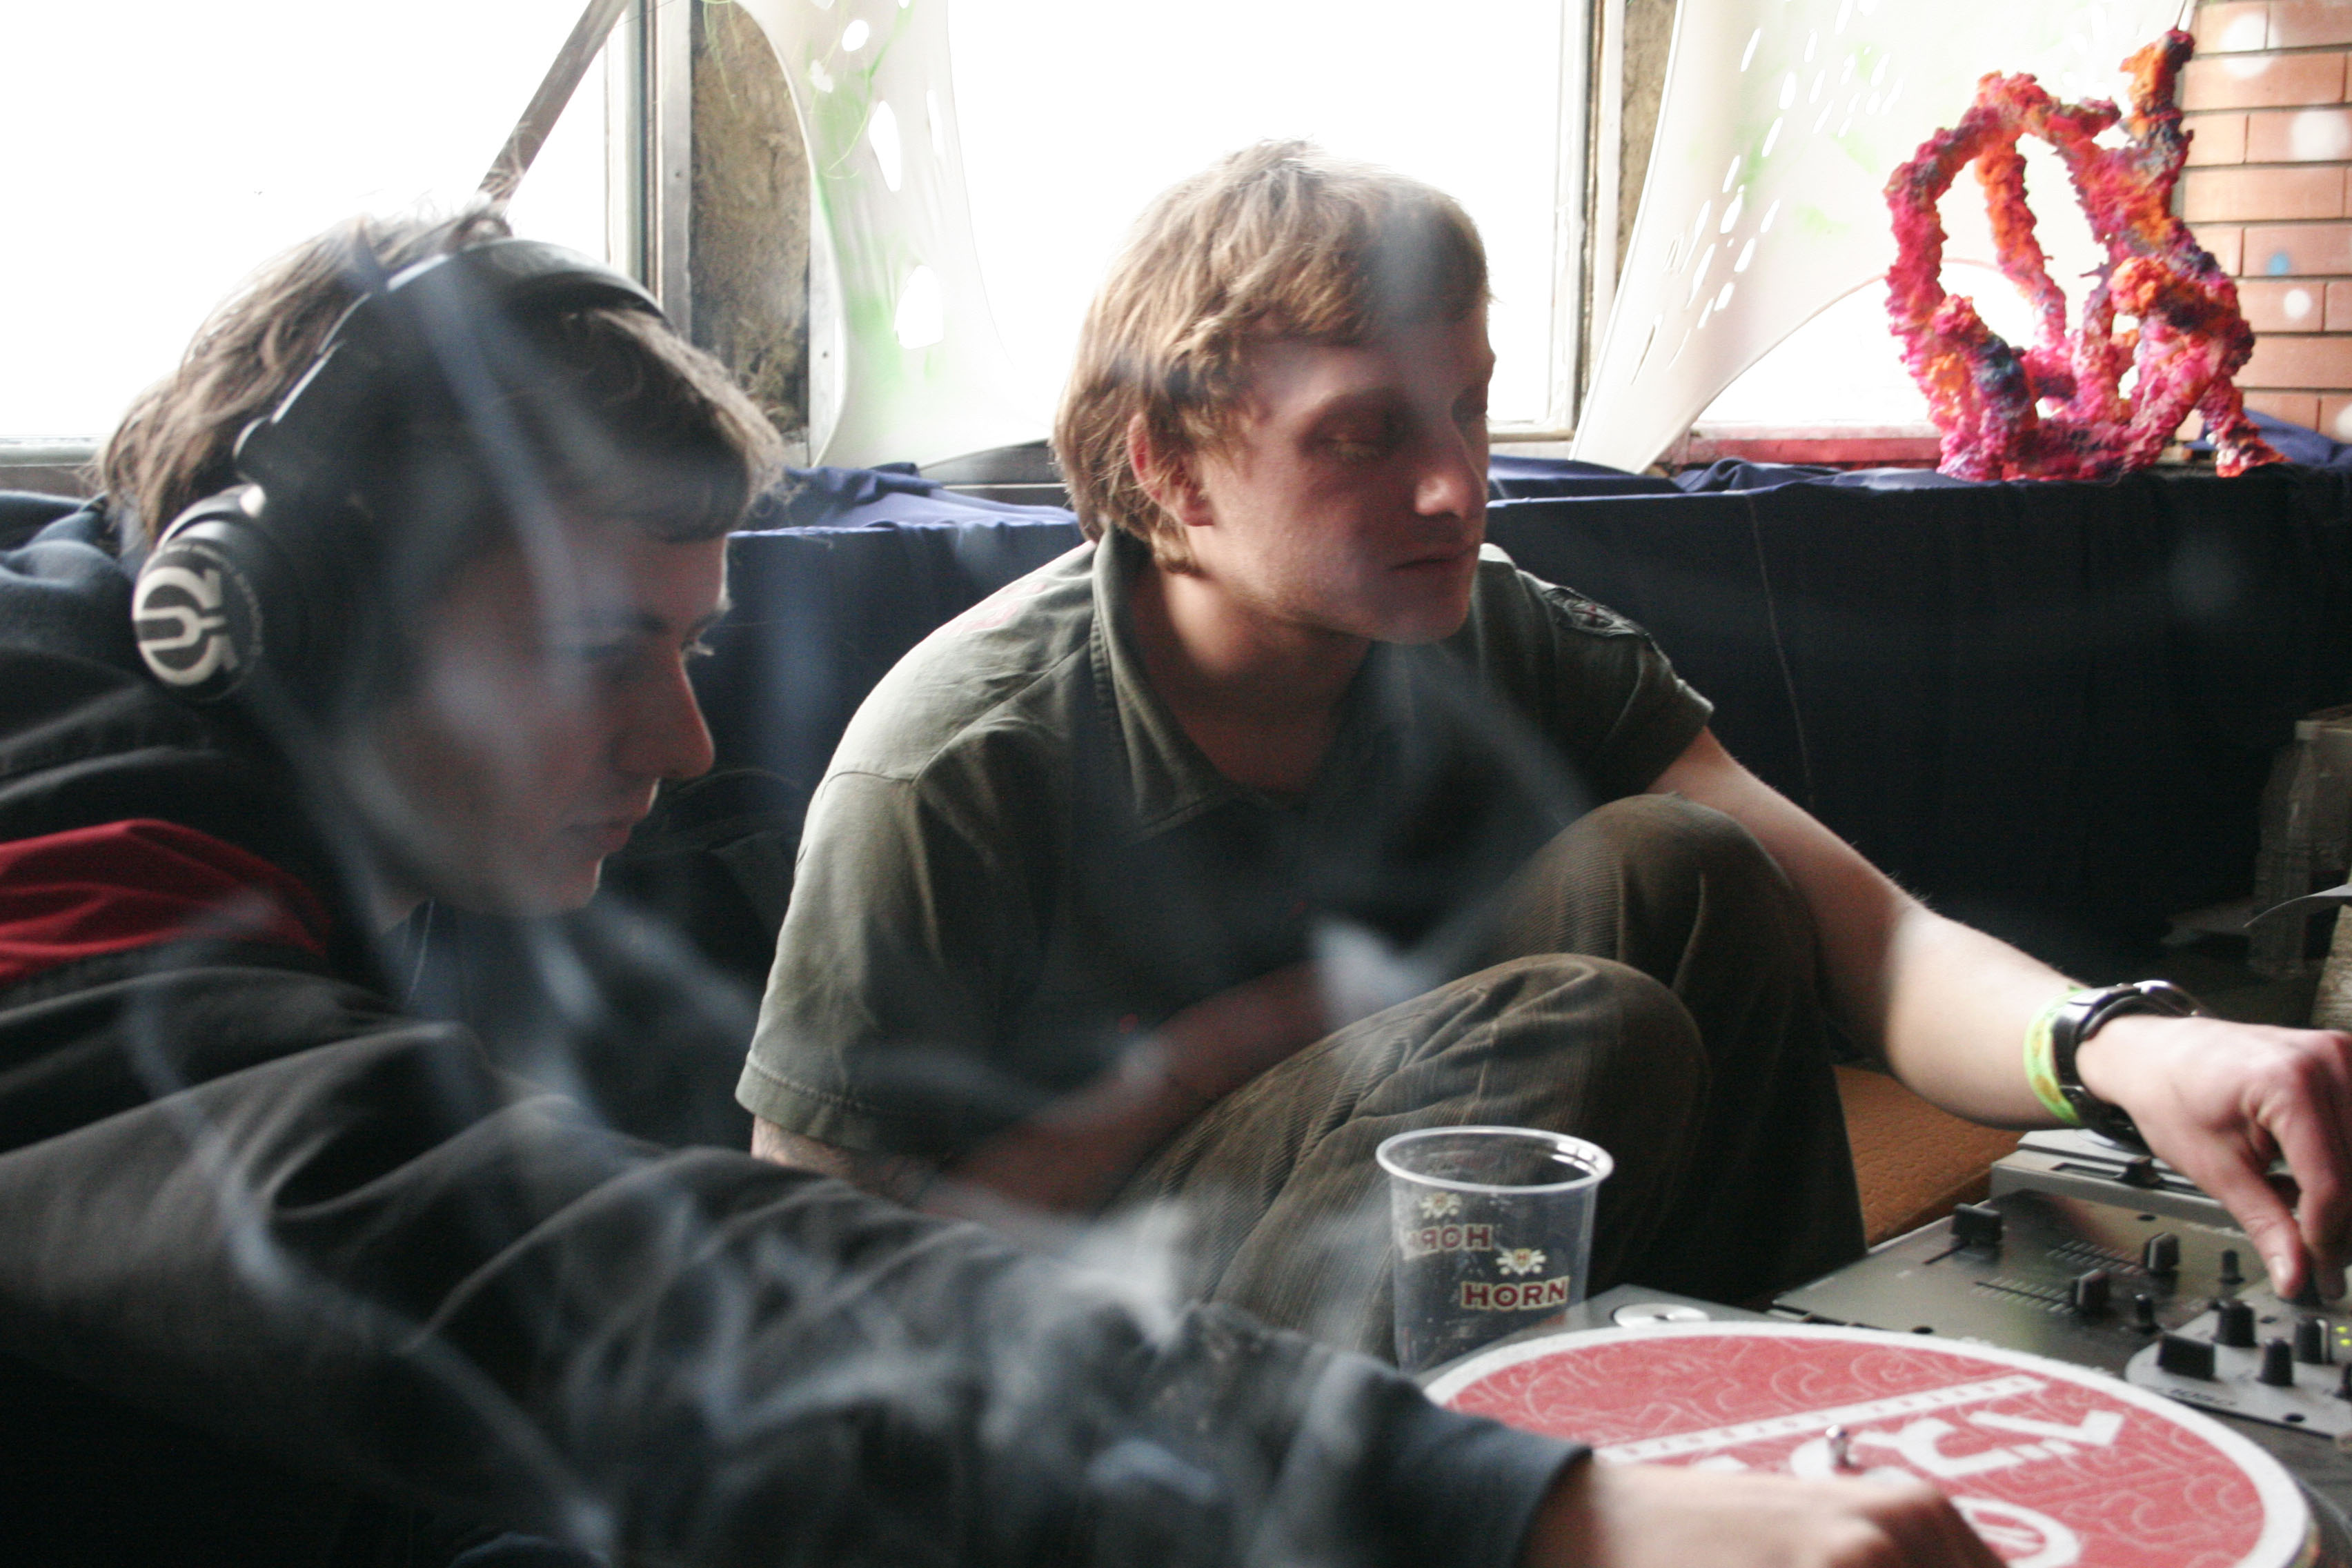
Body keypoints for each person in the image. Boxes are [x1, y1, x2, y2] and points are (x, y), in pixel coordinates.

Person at [0, 208, 2003, 1568]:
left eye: (687, 650)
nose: (683, 743)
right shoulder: (56, 857)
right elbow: (567, 1272)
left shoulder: (207, 755)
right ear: (308, 610)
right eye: (603, 650)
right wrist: (1523, 1506)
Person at [742, 141, 2352, 1353]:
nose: (1455, 486)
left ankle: (1748, 1399)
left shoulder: (1484, 625)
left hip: (1370, 1206)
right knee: (1583, 1033)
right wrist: (1243, 1042)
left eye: (1468, 408)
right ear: (1166, 462)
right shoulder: (957, 761)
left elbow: (1866, 941)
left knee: (1688, 869)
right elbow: (817, 1273)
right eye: (1363, 435)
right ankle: (1430, 1497)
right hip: (1092, 1349)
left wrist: (2126, 1052)